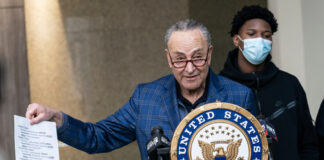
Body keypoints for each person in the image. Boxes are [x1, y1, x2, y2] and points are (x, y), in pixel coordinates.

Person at [25, 19, 256, 160]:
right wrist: (57, 119)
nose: (189, 69)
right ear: (168, 58)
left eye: (197, 58)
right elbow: (99, 137)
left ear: (210, 54)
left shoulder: (239, 96)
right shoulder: (145, 98)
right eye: (179, 59)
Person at [219, 5, 318, 160]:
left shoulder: (289, 84)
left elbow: (308, 142)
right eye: (251, 34)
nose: (260, 40)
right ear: (237, 39)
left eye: (266, 35)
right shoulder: (220, 88)